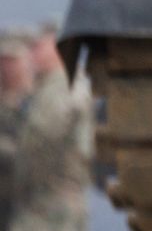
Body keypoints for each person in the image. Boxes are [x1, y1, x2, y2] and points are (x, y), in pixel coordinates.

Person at [11, 24, 92, 231]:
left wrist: (21, 174)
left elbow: (43, 138)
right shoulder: (49, 86)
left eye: (39, 47)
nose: (32, 53)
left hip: (50, 205)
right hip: (47, 202)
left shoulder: (64, 86)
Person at [0, 30, 32, 230]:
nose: (7, 68)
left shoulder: (34, 101)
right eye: (4, 61)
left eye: (13, 61)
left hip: (24, 201)